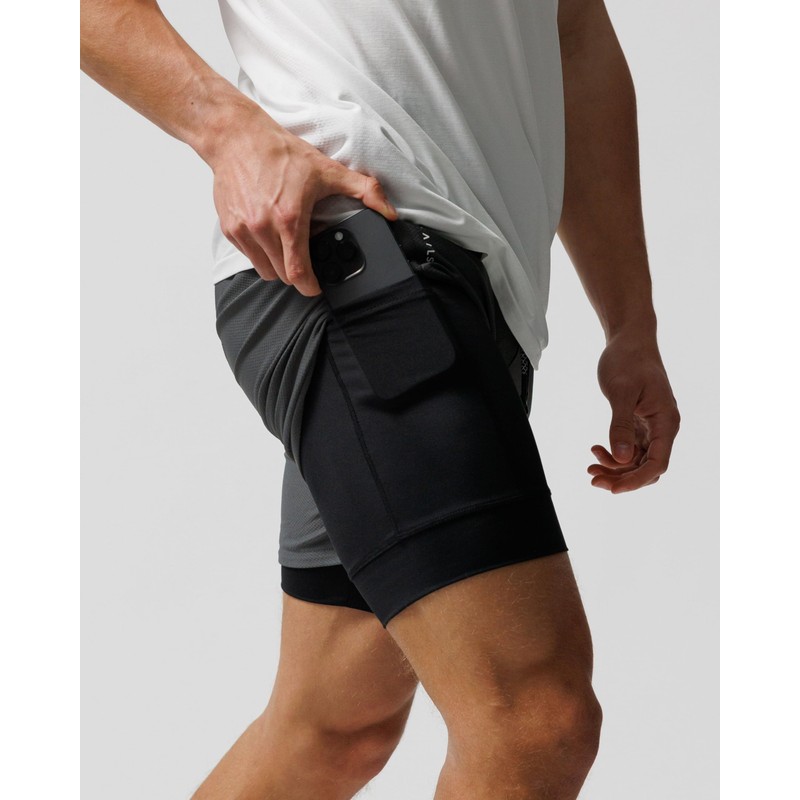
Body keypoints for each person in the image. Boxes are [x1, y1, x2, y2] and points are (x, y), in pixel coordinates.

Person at [81, 0, 681, 797]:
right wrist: (230, 133)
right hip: (358, 259)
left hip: (477, 297)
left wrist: (630, 324)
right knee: (535, 718)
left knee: (336, 726)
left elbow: (575, 37)